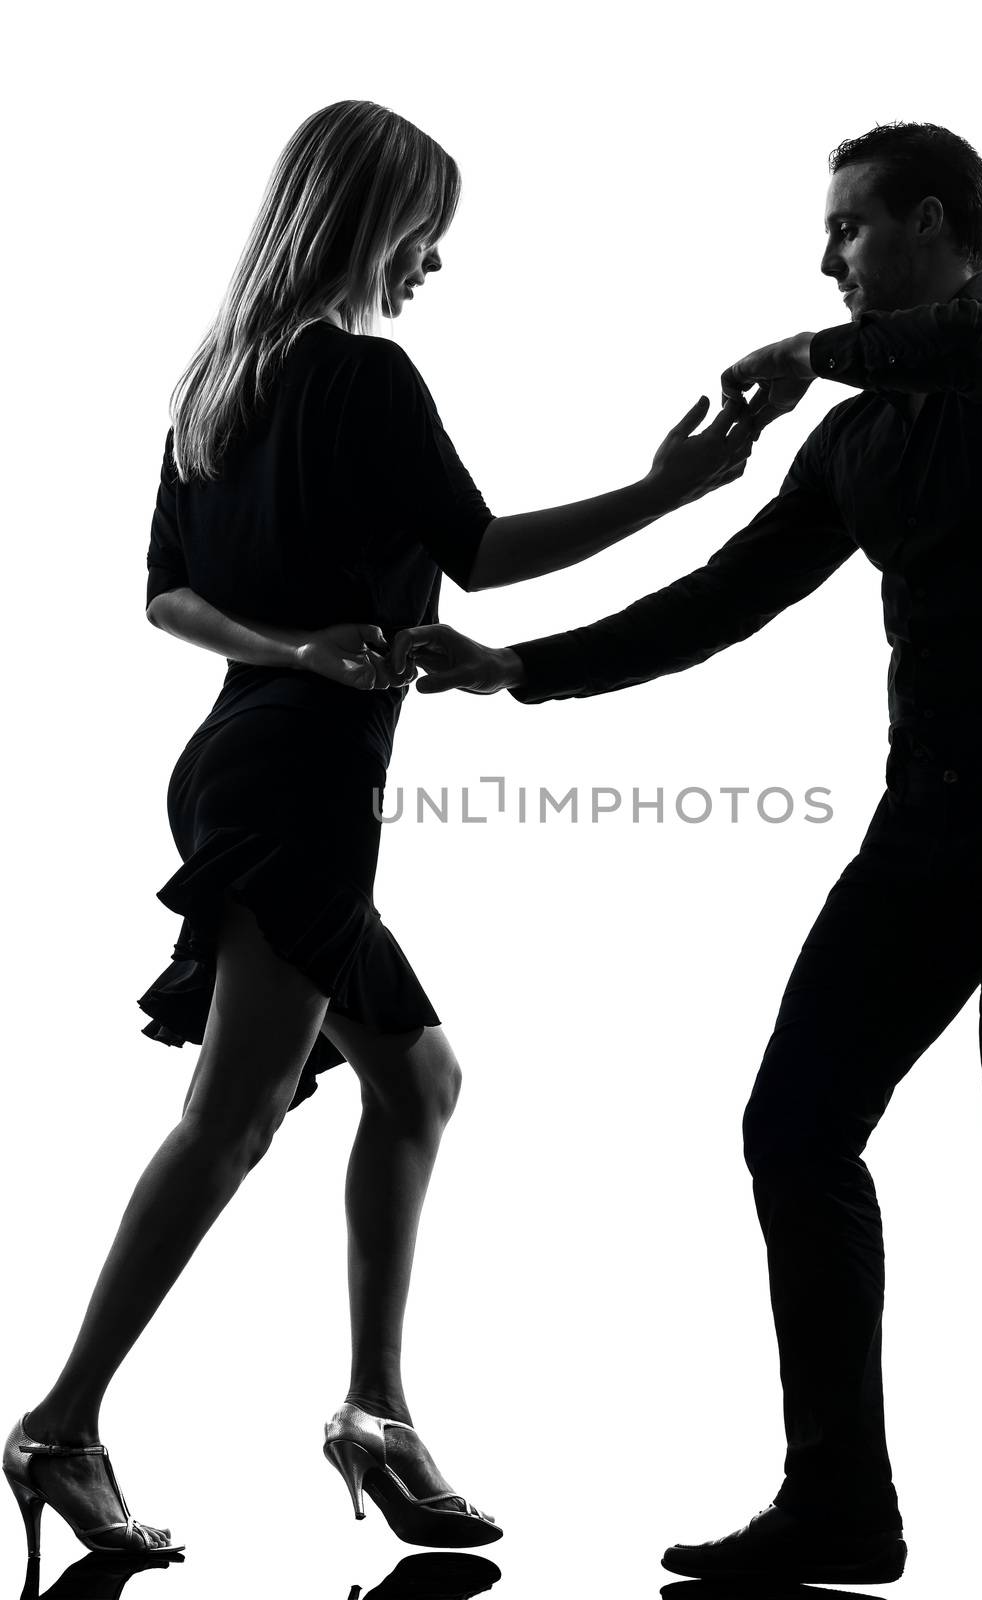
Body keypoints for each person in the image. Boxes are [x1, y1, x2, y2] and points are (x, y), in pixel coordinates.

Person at [386, 122, 982, 1593]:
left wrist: (816, 348)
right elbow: (720, 599)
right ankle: (841, 1511)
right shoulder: (863, 441)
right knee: (794, 1131)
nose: (828, 258)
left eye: (851, 230)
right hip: (920, 830)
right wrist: (516, 670)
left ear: (931, 225)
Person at [2, 99, 765, 1565]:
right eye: (429, 233)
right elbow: (477, 556)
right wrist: (674, 489)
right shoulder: (363, 376)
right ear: (377, 221)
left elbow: (164, 595)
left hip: (239, 758)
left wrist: (286, 651)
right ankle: (58, 1423)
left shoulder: (212, 387)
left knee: (415, 1078)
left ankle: (374, 1412)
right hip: (294, 785)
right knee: (230, 1120)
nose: (433, 266)